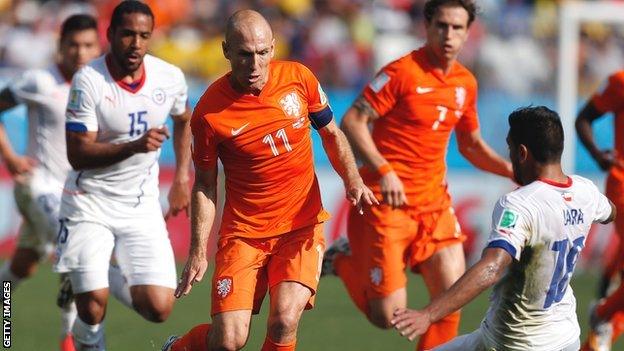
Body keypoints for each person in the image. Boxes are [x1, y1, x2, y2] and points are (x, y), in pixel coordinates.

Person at [161, 9, 376, 351]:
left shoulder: (299, 78)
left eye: (262, 53)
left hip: (301, 227)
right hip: (244, 234)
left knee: (284, 322)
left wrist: (352, 179)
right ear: (226, 51)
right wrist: (198, 251)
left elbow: (331, 134)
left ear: (273, 48)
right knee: (229, 341)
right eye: (245, 54)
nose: (255, 64)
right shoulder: (209, 113)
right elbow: (204, 183)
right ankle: (180, 347)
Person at [324, 0, 512, 349]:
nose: (448, 35)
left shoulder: (465, 83)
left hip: (434, 204)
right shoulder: (402, 72)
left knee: (451, 296)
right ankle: (341, 259)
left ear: (468, 32)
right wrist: (384, 170)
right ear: (427, 26)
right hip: (388, 201)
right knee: (387, 316)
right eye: (441, 25)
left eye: (457, 28)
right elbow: (353, 121)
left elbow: (470, 145)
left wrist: (512, 171)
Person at [391, 105, 615, 351]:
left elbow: (493, 266)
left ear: (522, 153)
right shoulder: (585, 192)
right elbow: (610, 212)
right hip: (565, 337)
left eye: (509, 148)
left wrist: (428, 315)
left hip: (515, 343)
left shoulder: (520, 203)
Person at [53, 2, 191, 350]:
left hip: (140, 205)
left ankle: (89, 275)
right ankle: (89, 326)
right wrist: (134, 146)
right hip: (89, 203)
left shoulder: (169, 77)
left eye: (144, 35)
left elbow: (184, 119)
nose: (136, 43)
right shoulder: (89, 80)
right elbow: (77, 153)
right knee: (93, 306)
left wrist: (181, 180)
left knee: (159, 308)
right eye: (127, 34)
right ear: (110, 34)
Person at [0, 14, 101, 351]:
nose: (80, 52)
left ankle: (4, 321)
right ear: (61, 46)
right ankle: (68, 341)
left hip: (73, 193)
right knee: (73, 247)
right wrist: (11, 157)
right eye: (73, 44)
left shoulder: (101, 87)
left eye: (87, 45)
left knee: (23, 266)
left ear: (97, 47)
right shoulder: (40, 82)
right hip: (37, 185)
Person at [576, 70, 624, 350]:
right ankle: (603, 313)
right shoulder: (620, 81)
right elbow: (583, 117)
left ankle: (602, 320)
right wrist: (597, 154)